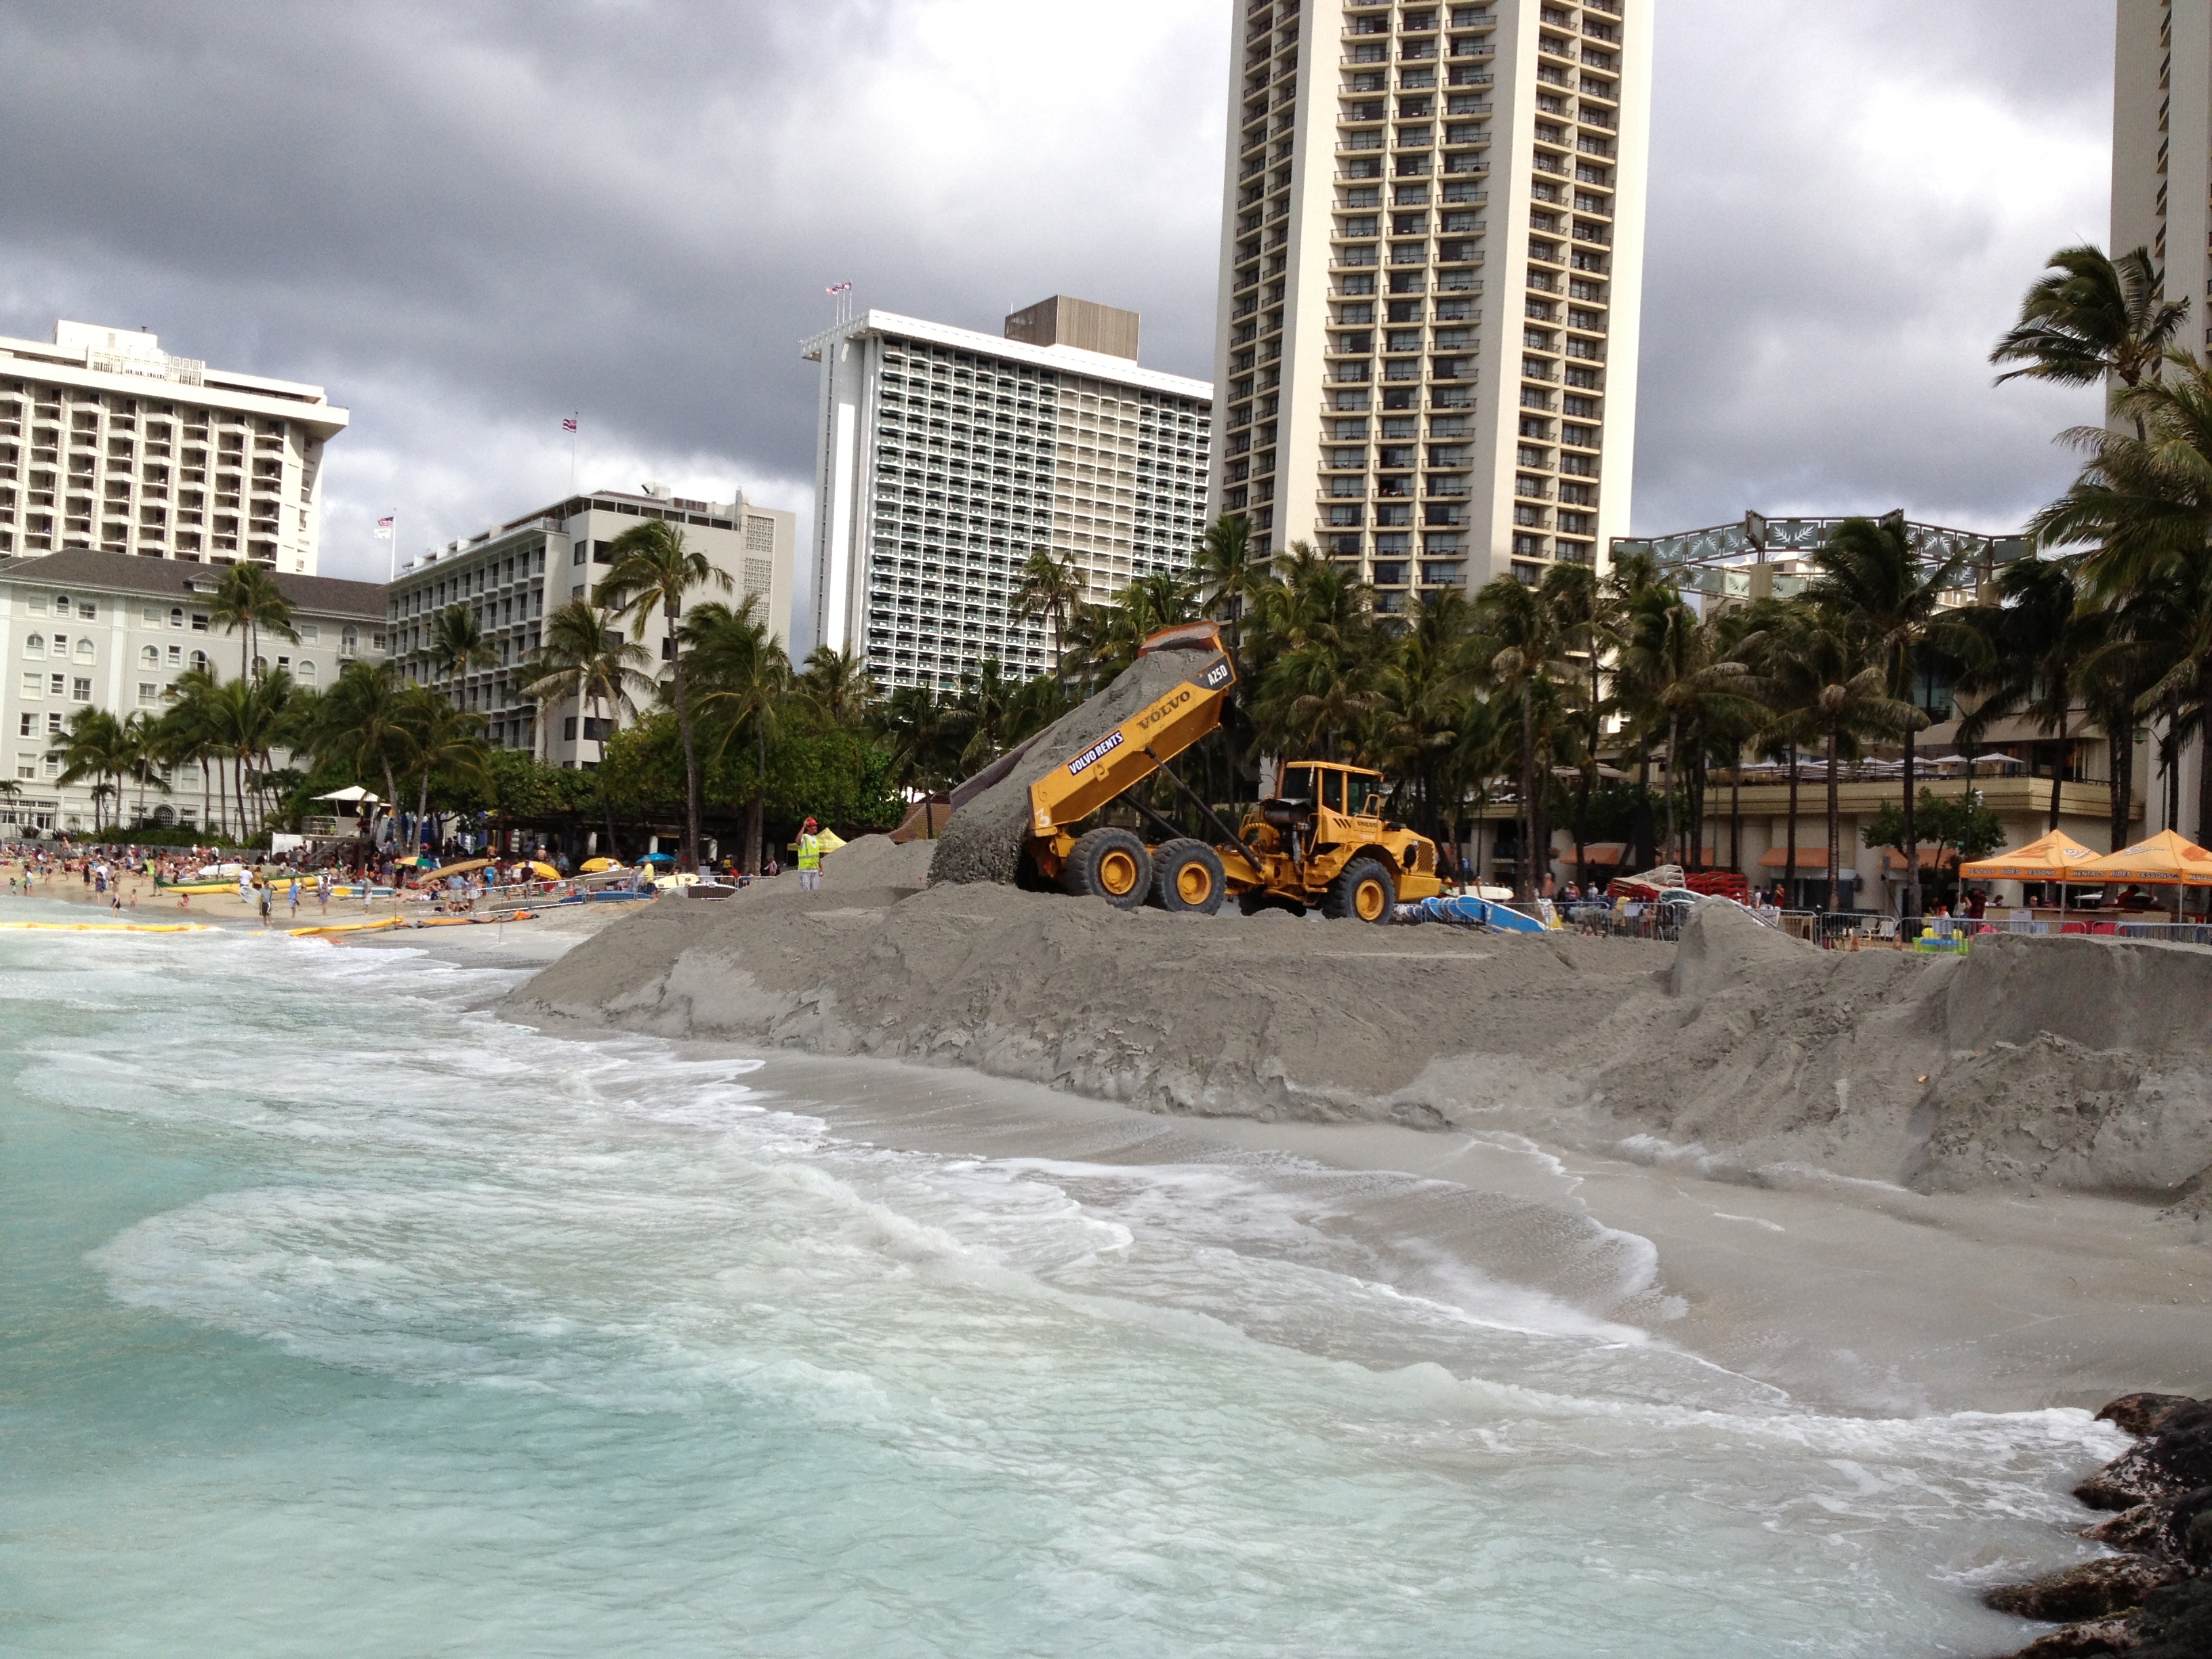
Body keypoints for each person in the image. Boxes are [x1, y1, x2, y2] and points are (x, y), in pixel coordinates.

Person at [796, 818, 823, 892]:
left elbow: (817, 855)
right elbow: (798, 841)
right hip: (805, 869)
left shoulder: (816, 839)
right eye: (814, 826)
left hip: (814, 869)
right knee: (805, 891)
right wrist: (803, 828)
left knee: (815, 892)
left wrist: (821, 867)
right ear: (808, 828)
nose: (816, 827)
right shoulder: (804, 837)